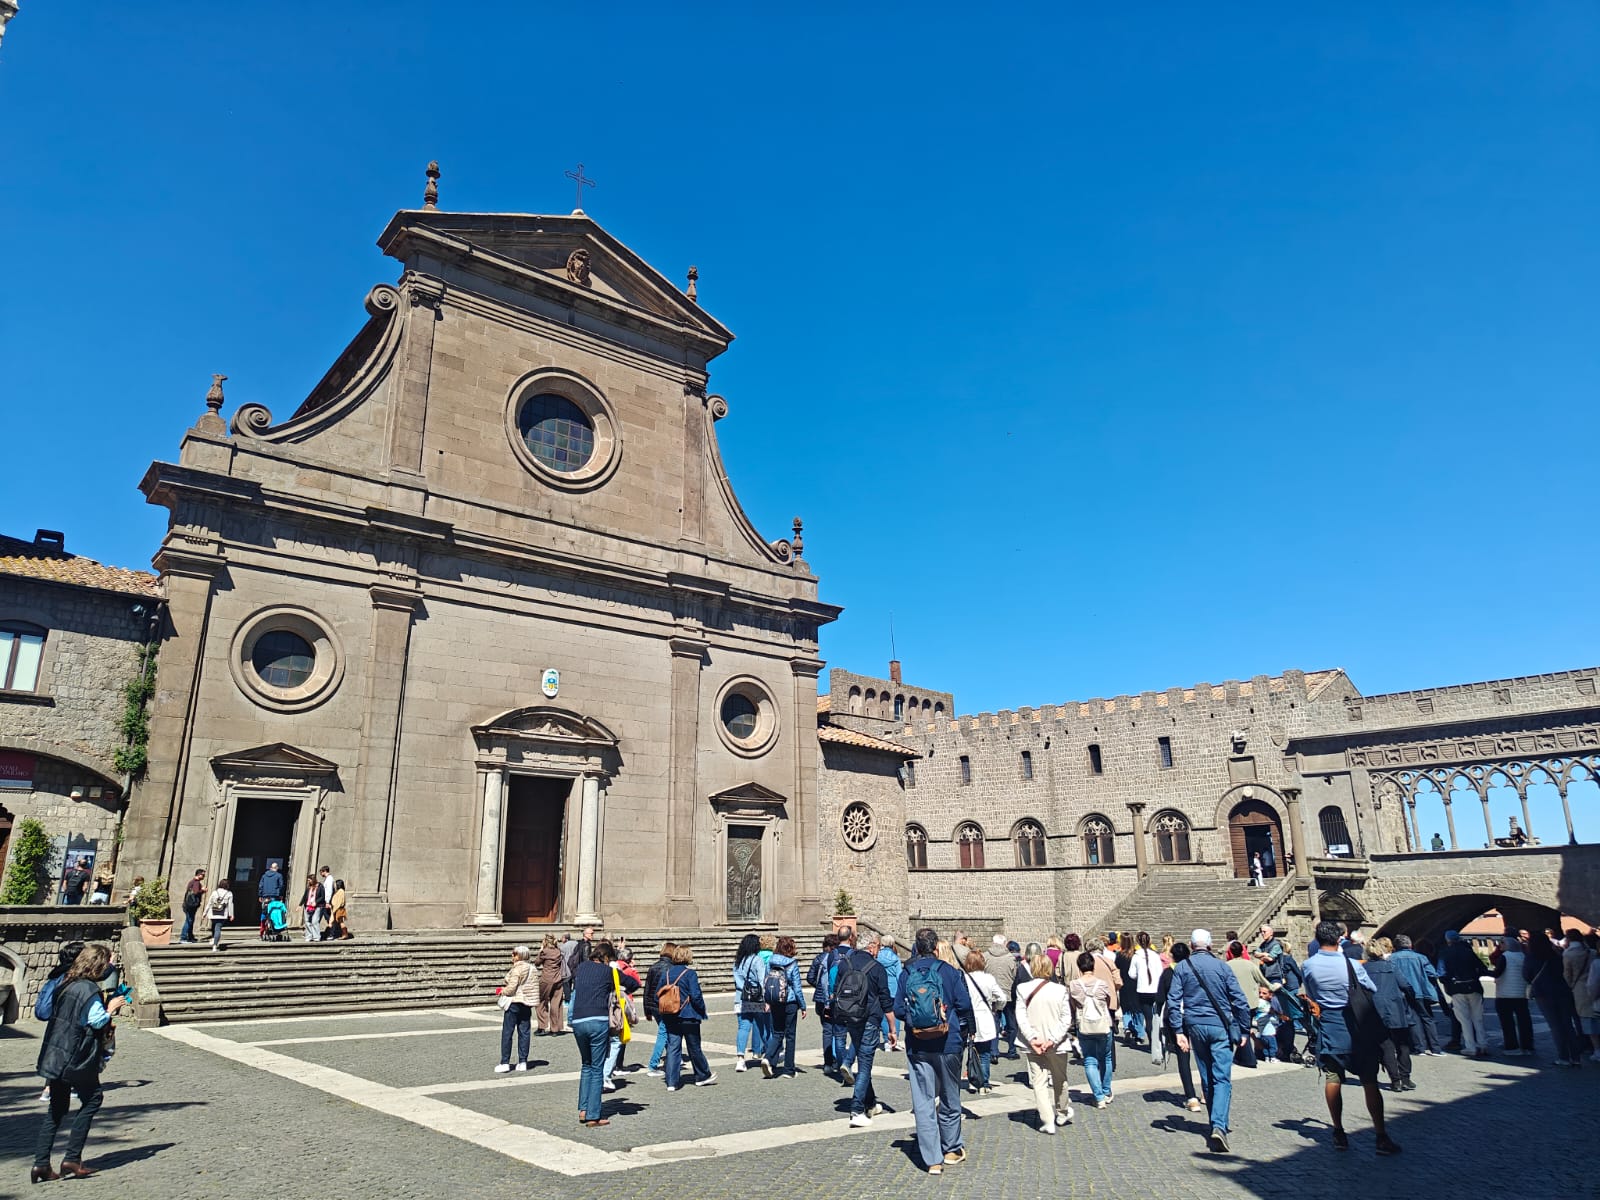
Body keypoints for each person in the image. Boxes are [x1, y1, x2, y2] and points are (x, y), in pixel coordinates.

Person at [1301, 921, 1400, 1155]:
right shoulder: (1352, 964)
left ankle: (1338, 1131)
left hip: (1330, 1024)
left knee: (1333, 1078)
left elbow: (1312, 993)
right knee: (1369, 1081)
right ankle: (1381, 1135)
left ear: (1317, 939)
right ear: (1338, 940)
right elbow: (1370, 989)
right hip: (1356, 1024)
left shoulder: (1308, 965)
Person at [32, 944, 126, 1182]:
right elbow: (95, 1021)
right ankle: (72, 1159)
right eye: (110, 962)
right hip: (76, 1057)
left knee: (56, 1108)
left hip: (56, 1053)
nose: (111, 967)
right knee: (93, 1098)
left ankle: (41, 1164)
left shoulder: (66, 983)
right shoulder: (88, 990)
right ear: (99, 964)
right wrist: (112, 1008)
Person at [894, 927, 974, 1174]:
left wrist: (914, 1019)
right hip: (948, 1044)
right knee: (951, 1098)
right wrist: (968, 1030)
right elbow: (964, 1005)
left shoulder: (906, 973)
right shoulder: (949, 972)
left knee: (923, 1100)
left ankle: (932, 1160)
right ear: (936, 948)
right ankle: (951, 1149)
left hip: (918, 1045)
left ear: (916, 947)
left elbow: (898, 1009)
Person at [1165, 929, 1253, 1154]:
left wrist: (1177, 1030)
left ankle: (1215, 1122)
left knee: (1206, 1075)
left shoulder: (1182, 967)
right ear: (1211, 946)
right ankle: (1219, 1125)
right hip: (1219, 1026)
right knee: (1222, 1077)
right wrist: (1244, 1029)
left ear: (1192, 946)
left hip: (1194, 1026)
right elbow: (1240, 1000)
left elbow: (1173, 1001)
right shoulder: (1223, 967)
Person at [569, 938, 635, 1127]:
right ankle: (593, 1115)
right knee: (597, 1068)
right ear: (607, 958)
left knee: (586, 1065)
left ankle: (583, 1109)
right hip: (597, 1020)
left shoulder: (581, 968)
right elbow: (633, 983)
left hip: (578, 1021)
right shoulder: (609, 971)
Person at [835, 930, 896, 1127]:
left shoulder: (845, 963)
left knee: (862, 1057)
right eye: (877, 946)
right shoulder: (877, 968)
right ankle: (857, 1109)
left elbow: (837, 989)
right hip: (871, 1018)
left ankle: (870, 1102)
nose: (878, 950)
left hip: (850, 1016)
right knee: (865, 1063)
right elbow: (886, 1000)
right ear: (871, 946)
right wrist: (892, 1029)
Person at [1015, 953, 1073, 1134]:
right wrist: (1053, 1039)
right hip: (1056, 1043)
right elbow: (1066, 1018)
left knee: (1039, 1083)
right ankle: (1062, 1111)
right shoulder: (1060, 990)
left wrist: (1032, 1038)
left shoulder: (1022, 989)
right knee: (1060, 1079)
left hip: (1034, 1043)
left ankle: (1047, 1120)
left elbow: (1021, 1017)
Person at [659, 944, 716, 1089]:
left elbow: (658, 995)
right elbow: (696, 996)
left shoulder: (666, 974)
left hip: (670, 1015)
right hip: (688, 1014)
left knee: (673, 1047)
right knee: (694, 1046)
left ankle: (671, 1082)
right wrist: (702, 1010)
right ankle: (702, 1075)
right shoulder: (690, 974)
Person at [1363, 937, 1416, 1092]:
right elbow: (1405, 985)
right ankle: (1405, 1078)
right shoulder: (1391, 966)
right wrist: (1411, 1000)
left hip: (1375, 1010)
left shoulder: (1364, 968)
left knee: (1386, 1046)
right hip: (1395, 1008)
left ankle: (1395, 1081)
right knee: (1403, 1045)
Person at [1526, 930, 1583, 1066]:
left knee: (1555, 1026)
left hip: (1543, 994)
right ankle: (1575, 1057)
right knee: (1567, 1024)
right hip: (1563, 992)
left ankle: (1563, 1057)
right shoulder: (1557, 955)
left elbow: (1526, 975)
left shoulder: (1531, 957)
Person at [1068, 950, 1116, 1109]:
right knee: (1106, 1058)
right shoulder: (1102, 984)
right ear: (1093, 966)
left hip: (1085, 1025)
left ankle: (1098, 1096)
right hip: (1103, 1024)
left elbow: (1072, 1006)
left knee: (1089, 1060)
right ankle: (1106, 1090)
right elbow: (1109, 1002)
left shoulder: (1074, 985)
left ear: (1079, 967)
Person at [1389, 934, 1444, 1055]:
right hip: (1421, 991)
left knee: (1413, 1020)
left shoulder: (1391, 958)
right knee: (1428, 1019)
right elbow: (1432, 973)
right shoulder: (1421, 957)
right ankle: (1435, 1049)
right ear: (1410, 945)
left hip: (1403, 993)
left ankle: (1419, 1048)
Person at [759, 936, 806, 1077]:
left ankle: (768, 1058)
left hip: (775, 1000)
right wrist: (803, 1006)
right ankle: (789, 1070)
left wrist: (767, 1001)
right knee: (790, 1036)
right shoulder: (792, 963)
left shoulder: (771, 961)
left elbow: (766, 981)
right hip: (789, 1001)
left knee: (777, 1033)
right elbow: (797, 987)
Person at [959, 949, 1004, 1095]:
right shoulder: (989, 979)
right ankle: (983, 1083)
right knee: (984, 1053)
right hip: (985, 1017)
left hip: (968, 1017)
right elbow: (1002, 997)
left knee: (970, 1051)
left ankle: (972, 1078)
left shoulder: (964, 978)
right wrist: (996, 1008)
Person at [1440, 930, 1489, 1056]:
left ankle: (1471, 1047)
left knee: (1464, 1019)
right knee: (1477, 1018)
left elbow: (1441, 973)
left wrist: (1448, 982)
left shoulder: (1445, 953)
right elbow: (1482, 968)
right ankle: (1483, 1045)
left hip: (1457, 989)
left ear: (1448, 940)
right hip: (1474, 986)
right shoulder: (1469, 951)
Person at [495, 945, 539, 1073]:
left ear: (519, 956)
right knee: (524, 1032)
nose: (512, 956)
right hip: (526, 1003)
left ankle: (505, 1062)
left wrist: (502, 990)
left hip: (514, 1002)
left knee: (508, 1032)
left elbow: (511, 988)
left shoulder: (518, 969)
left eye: (513, 954)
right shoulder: (533, 969)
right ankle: (523, 1061)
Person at [1490, 932, 1534, 1056]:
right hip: (1521, 993)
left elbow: (1498, 973)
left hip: (1505, 994)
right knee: (1524, 1021)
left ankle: (1511, 1046)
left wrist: (1482, 972)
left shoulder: (1505, 956)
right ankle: (1527, 1045)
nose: (1500, 946)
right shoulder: (1523, 956)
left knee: (1507, 1022)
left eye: (1502, 943)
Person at [728, 935, 767, 1072]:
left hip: (741, 997)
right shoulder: (757, 960)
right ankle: (767, 1054)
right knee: (762, 1026)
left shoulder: (738, 961)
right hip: (756, 998)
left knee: (743, 1028)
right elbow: (762, 981)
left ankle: (740, 1059)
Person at [808, 933, 844, 1076]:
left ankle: (828, 1062)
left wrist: (818, 987)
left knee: (827, 1031)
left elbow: (810, 977)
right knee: (839, 1031)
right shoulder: (841, 959)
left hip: (821, 1000)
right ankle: (839, 1060)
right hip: (838, 998)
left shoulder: (819, 958)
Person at [1561, 929, 1597, 1062]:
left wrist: (1570, 986)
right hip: (1596, 987)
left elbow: (1567, 975)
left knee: (1585, 1018)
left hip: (1579, 989)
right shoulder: (1591, 952)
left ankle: (1592, 1046)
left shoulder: (1568, 954)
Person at [984, 933, 1018, 1058]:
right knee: (1011, 1023)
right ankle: (1012, 1050)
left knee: (994, 1023)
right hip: (1007, 992)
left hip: (991, 994)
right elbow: (1014, 975)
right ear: (1004, 943)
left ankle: (993, 1051)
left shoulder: (985, 956)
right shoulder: (1010, 958)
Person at [1128, 932, 1162, 1050]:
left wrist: (1140, 976)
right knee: (1157, 1016)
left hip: (1142, 990)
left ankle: (1152, 1042)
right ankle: (1159, 1040)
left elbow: (1131, 974)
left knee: (1148, 1018)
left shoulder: (1136, 956)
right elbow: (1160, 972)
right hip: (1156, 989)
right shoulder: (1155, 956)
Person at [534, 933, 567, 1036]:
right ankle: (555, 1029)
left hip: (546, 979)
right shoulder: (558, 951)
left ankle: (542, 1027)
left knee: (541, 1002)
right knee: (556, 1003)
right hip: (558, 979)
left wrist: (540, 951)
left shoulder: (544, 952)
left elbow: (537, 963)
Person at [877, 933, 903, 1048]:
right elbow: (899, 975)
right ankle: (894, 1037)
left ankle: (886, 1040)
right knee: (894, 1013)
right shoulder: (895, 958)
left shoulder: (878, 957)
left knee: (884, 1013)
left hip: (881, 985)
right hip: (893, 987)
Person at [206, 876, 234, 951]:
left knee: (214, 926)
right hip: (222, 914)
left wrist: (205, 912)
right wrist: (231, 914)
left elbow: (209, 903)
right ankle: (215, 945)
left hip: (213, 912)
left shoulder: (214, 892)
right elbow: (230, 905)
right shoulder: (229, 893)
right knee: (218, 928)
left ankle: (213, 939)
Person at [179, 869, 207, 943]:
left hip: (188, 905)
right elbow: (195, 892)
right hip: (191, 905)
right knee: (189, 921)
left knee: (190, 920)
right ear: (198, 874)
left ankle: (190, 937)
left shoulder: (192, 882)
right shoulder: (196, 882)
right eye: (203, 875)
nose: (204, 876)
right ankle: (183, 937)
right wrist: (203, 890)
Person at [316, 867, 334, 935]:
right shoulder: (327, 879)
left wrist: (327, 902)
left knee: (328, 918)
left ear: (324, 871)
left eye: (321, 872)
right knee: (326, 918)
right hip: (324, 902)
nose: (320, 874)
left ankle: (331, 933)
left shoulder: (329, 879)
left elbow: (329, 891)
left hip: (325, 902)